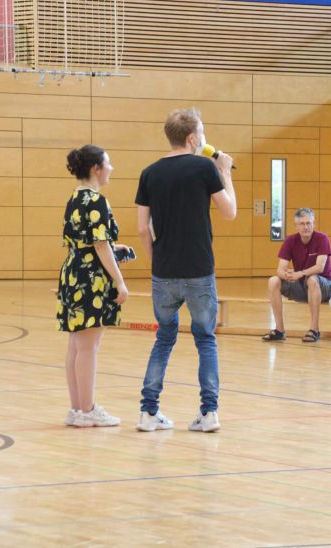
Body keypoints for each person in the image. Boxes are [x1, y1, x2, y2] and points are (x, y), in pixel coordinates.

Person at [135, 107, 237, 433]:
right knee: (205, 340)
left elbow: (142, 228)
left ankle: (148, 413)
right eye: (202, 133)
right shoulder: (204, 168)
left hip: (164, 271)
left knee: (164, 339)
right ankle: (209, 413)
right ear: (192, 138)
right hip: (199, 270)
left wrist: (156, 261)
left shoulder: (149, 173)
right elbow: (230, 212)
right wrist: (225, 172)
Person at [57, 145, 130, 428]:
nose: (111, 168)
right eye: (108, 163)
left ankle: (77, 409)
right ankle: (87, 410)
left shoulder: (74, 198)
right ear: (95, 168)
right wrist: (119, 281)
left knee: (77, 345)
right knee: (88, 346)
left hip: (73, 272)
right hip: (90, 277)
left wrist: (113, 247)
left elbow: (87, 241)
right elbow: (99, 245)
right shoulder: (97, 200)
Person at [262, 208, 331, 343]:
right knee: (273, 281)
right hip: (303, 285)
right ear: (296, 226)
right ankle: (279, 330)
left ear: (314, 224)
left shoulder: (322, 239)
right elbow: (280, 269)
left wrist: (300, 273)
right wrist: (287, 274)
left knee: (312, 279)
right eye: (302, 224)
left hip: (326, 286)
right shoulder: (290, 240)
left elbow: (319, 267)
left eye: (309, 223)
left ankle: (314, 330)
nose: (306, 227)